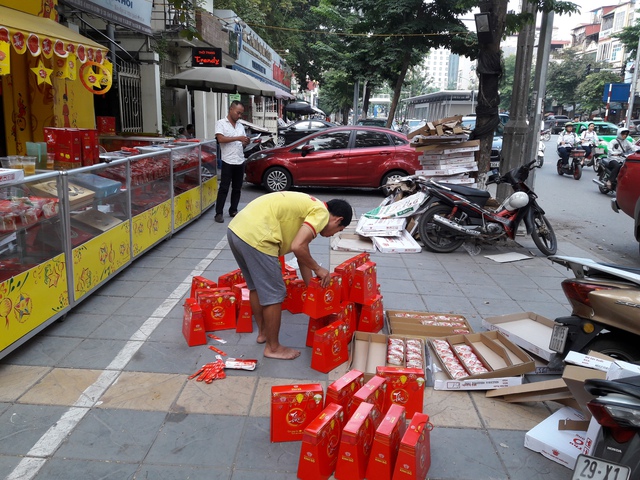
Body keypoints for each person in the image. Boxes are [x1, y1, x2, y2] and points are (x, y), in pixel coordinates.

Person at [227, 192, 353, 360]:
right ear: (337, 220)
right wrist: (318, 269)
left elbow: (301, 252)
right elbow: (297, 246)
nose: (333, 234)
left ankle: (263, 334)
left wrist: (312, 288)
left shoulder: (311, 207)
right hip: (258, 236)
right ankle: (273, 347)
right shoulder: (321, 214)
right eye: (339, 230)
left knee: (256, 287)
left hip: (237, 230)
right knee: (275, 293)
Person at [214, 101, 250, 223]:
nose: (239, 115)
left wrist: (245, 142)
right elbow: (220, 139)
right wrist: (238, 138)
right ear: (231, 109)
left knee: (237, 188)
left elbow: (242, 143)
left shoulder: (240, 126)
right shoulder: (221, 123)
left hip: (239, 159)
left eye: (241, 114)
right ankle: (218, 213)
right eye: (238, 112)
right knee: (224, 187)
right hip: (227, 160)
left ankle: (233, 210)